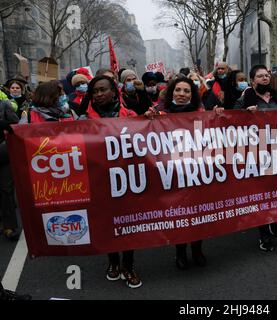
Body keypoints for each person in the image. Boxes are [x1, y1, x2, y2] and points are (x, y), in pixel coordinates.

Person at [84, 76, 142, 289]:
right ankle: (113, 263)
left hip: (126, 180)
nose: (99, 94)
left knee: (127, 225)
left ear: (114, 91)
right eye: (95, 92)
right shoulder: (83, 121)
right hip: (99, 181)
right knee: (107, 224)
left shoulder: (132, 116)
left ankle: (128, 265)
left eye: (103, 90)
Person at [146, 78, 207, 270]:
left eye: (186, 91)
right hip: (173, 173)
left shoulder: (202, 113)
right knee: (179, 215)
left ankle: (197, 250)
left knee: (198, 213)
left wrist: (219, 115)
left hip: (197, 171)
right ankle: (180, 252)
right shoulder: (160, 113)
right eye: (178, 90)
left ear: (192, 94)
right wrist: (146, 119)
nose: (182, 94)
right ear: (172, 92)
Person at [235, 64, 277, 252]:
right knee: (263, 192)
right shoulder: (245, 100)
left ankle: (274, 220)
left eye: (267, 75)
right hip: (258, 153)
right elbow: (231, 121)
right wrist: (245, 114)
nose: (265, 78)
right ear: (252, 81)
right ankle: (264, 232)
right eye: (260, 76)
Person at [0, 99, 20, 241]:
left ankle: (9, 227)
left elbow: (15, 123)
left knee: (6, 190)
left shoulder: (3, 103)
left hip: (2, 151)